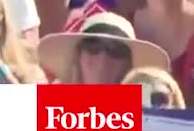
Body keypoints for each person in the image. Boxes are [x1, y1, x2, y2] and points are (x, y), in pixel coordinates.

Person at [38, 12, 169, 83]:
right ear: (78, 56)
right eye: (93, 45)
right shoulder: (51, 108)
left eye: (116, 50)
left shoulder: (147, 115)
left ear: (129, 65)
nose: (103, 58)